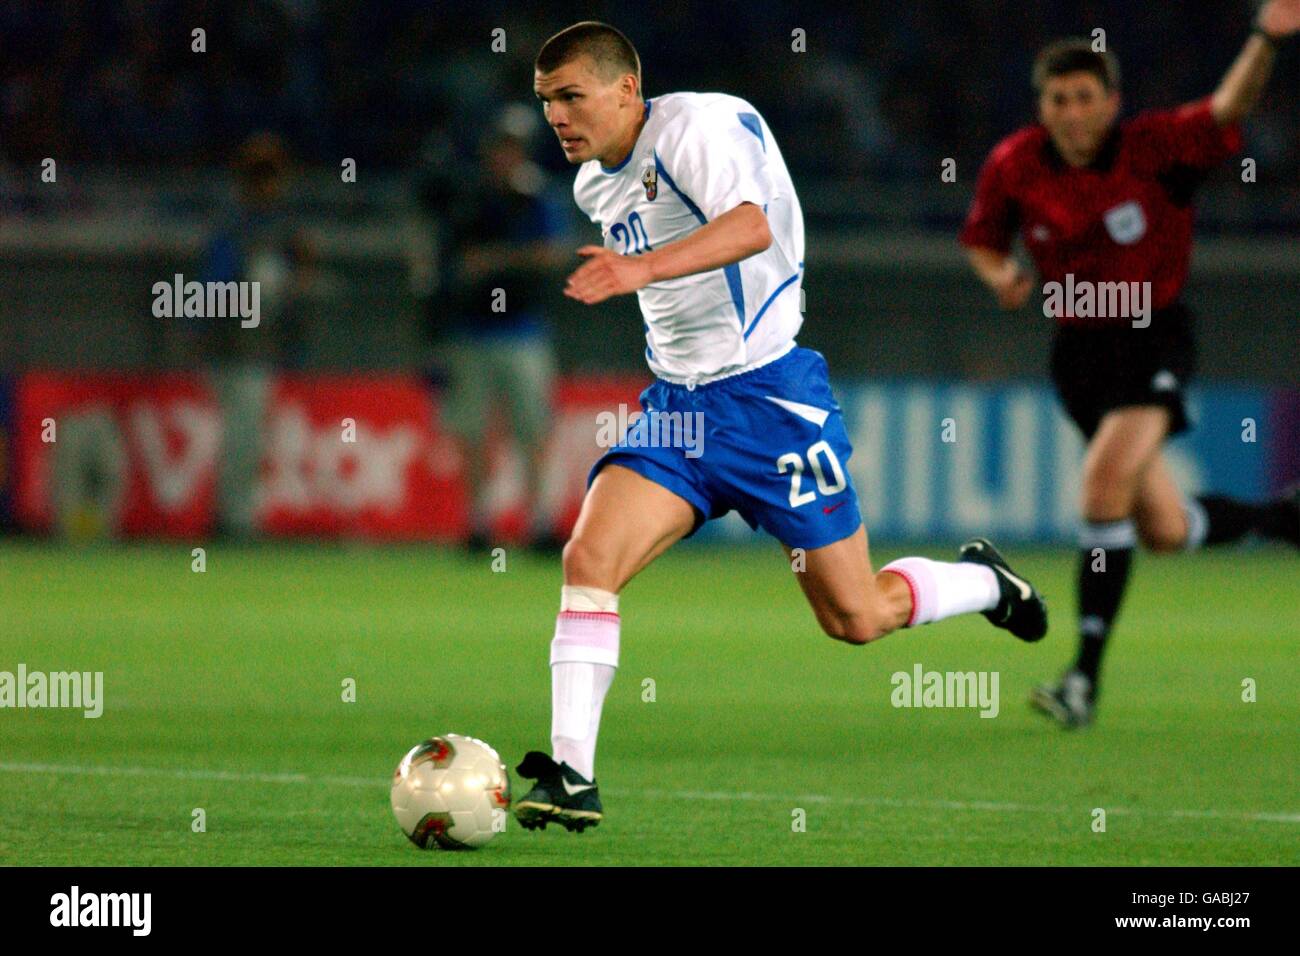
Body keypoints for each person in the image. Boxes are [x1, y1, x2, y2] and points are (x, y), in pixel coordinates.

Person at [512, 21, 1049, 833]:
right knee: (588, 558)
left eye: (571, 95)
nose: (557, 115)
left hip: (770, 404)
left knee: (856, 618)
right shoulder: (594, 182)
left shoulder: (696, 127)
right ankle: (573, 775)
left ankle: (987, 584)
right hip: (679, 413)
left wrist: (641, 269)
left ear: (627, 88)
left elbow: (750, 226)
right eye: (547, 100)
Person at [960, 9, 1300, 729]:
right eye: (1059, 99)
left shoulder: (1154, 148)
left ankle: (1082, 679)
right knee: (1167, 531)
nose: (1073, 112)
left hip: (1153, 337)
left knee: (1102, 486)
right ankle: (1284, 516)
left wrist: (1267, 37)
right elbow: (983, 240)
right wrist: (1000, 276)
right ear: (1042, 106)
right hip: (1078, 356)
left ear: (1111, 102)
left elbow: (1228, 107)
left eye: (1086, 97)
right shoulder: (1015, 163)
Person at [419, 106, 569, 552]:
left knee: (531, 430)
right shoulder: (468, 198)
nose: (506, 156)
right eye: (501, 146)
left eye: (513, 147)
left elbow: (553, 253)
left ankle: (540, 521)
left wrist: (496, 260)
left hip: (523, 331)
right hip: (473, 331)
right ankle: (478, 522)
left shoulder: (535, 197)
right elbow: (445, 263)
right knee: (473, 433)